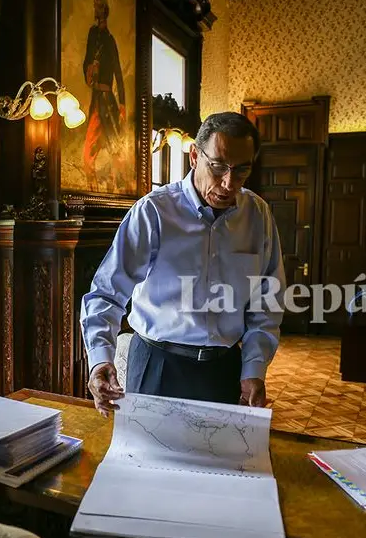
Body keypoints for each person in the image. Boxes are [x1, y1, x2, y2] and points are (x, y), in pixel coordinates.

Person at [80, 112, 286, 416]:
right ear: (194, 156)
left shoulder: (258, 216)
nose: (229, 183)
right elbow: (106, 293)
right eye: (218, 167)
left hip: (224, 369)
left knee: (221, 461)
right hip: (157, 365)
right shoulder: (153, 212)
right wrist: (100, 357)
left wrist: (254, 366)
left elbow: (266, 301)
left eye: (242, 171)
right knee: (148, 460)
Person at [81, 0, 127, 190]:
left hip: (108, 101)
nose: (96, 10)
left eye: (100, 6)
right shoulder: (93, 34)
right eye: (95, 6)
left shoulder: (110, 41)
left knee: (115, 149)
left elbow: (118, 74)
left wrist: (123, 104)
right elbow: (86, 62)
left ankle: (114, 184)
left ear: (105, 10)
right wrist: (88, 69)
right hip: (96, 99)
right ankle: (92, 187)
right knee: (88, 150)